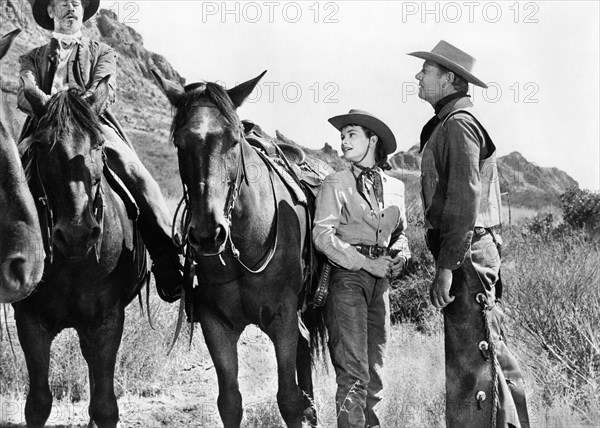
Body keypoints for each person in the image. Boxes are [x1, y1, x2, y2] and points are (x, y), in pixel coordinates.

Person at [17, 0, 182, 302]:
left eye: (76, 3)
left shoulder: (102, 52)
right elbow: (24, 95)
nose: (70, 7)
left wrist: (77, 105)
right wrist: (46, 104)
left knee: (137, 175)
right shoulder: (31, 57)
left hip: (91, 124)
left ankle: (167, 259)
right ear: (51, 12)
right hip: (44, 127)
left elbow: (105, 89)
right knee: (8, 175)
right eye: (62, 3)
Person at [408, 40, 530, 427]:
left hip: (468, 258)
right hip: (470, 254)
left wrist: (447, 266)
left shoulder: (459, 124)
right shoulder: (450, 123)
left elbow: (464, 201)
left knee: (475, 362)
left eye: (426, 71)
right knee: (483, 356)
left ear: (448, 79)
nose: (417, 76)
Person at [313, 110, 411, 428]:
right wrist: (367, 263)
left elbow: (401, 235)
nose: (343, 140)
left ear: (372, 140)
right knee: (353, 371)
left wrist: (401, 256)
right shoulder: (335, 183)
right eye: (342, 135)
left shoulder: (396, 187)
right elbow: (322, 236)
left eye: (351, 134)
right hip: (346, 279)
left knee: (375, 368)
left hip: (380, 284)